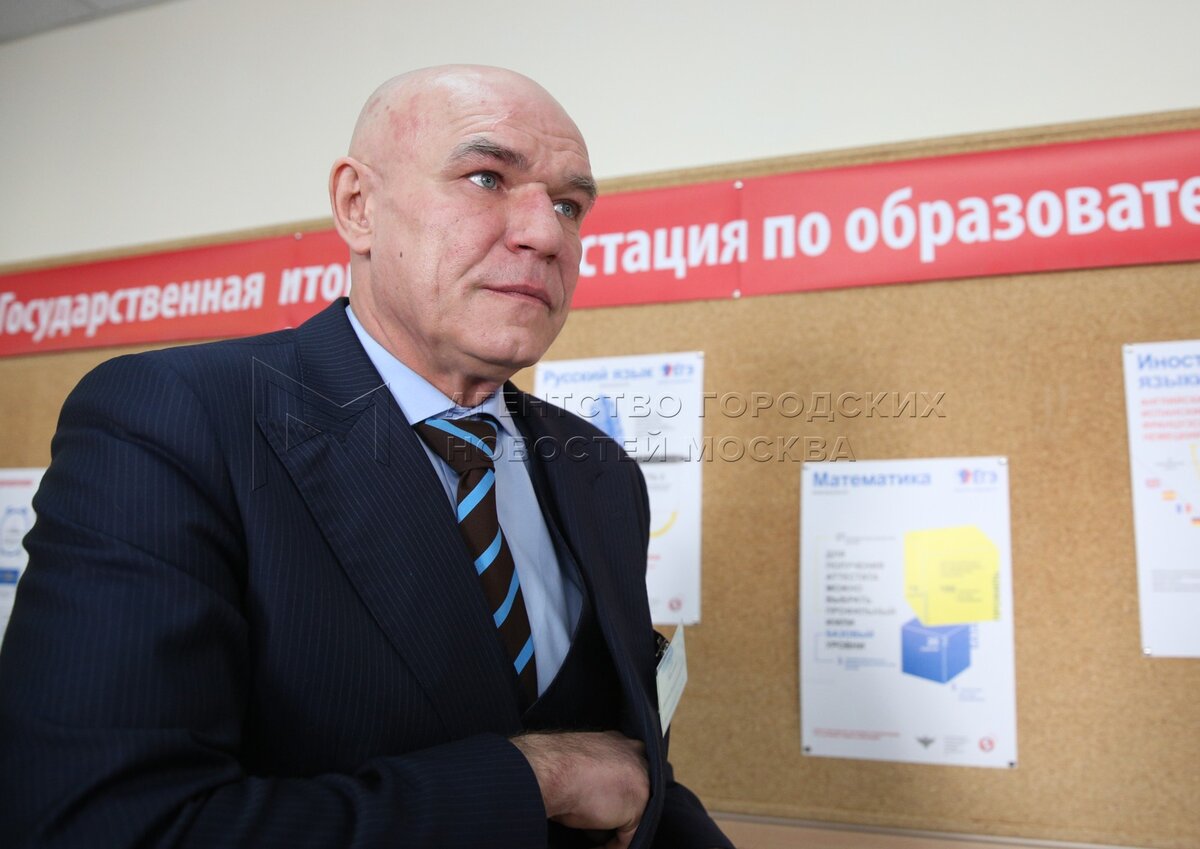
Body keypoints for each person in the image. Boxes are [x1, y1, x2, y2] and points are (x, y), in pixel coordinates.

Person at [0, 66, 733, 849]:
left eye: (568, 205)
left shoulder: (599, 471)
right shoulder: (175, 421)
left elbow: (629, 778)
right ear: (358, 206)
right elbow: (97, 823)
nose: (547, 235)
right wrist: (535, 777)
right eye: (487, 178)